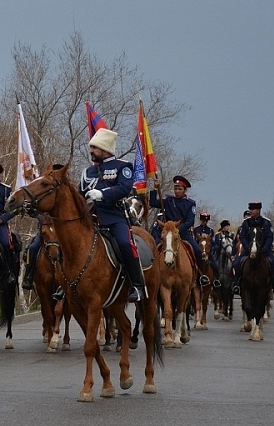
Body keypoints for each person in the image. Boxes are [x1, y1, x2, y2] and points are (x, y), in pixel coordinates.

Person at [79, 127, 146, 303]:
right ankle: (66, 286)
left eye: (94, 147)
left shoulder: (122, 167)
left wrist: (102, 194)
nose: (91, 151)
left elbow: (125, 188)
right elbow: (79, 194)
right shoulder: (88, 172)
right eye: (91, 147)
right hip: (90, 219)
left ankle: (137, 285)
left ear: (104, 148)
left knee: (125, 244)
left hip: (113, 217)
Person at [148, 175, 211, 286]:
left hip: (182, 232)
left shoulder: (190, 204)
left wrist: (176, 230)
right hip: (167, 233)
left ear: (185, 190)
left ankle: (200, 276)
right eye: (176, 188)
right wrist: (155, 188)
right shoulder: (168, 201)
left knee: (197, 250)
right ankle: (151, 274)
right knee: (154, 249)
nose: (177, 191)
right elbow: (153, 202)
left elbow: (190, 221)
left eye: (180, 189)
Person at [231, 201, 274, 296]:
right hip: (248, 251)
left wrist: (265, 248)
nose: (251, 211)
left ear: (258, 210)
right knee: (237, 263)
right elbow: (243, 236)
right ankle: (236, 284)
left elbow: (269, 237)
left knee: (273, 262)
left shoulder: (266, 222)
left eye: (253, 209)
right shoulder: (246, 223)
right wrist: (247, 248)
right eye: (250, 209)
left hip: (263, 251)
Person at [193, 211, 222, 288]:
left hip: (208, 253)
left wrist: (211, 249)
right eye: (203, 221)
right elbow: (194, 241)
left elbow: (213, 242)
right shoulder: (196, 230)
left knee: (215, 266)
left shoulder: (210, 231)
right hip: (198, 252)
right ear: (201, 220)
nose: (204, 222)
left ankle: (216, 280)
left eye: (206, 221)